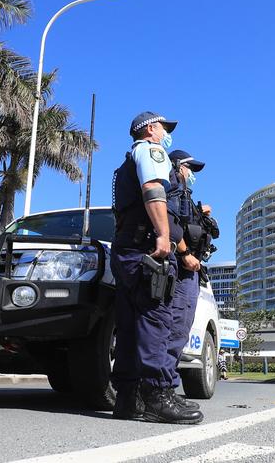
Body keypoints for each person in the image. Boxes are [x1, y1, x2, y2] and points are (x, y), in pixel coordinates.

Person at [111, 111, 203, 424]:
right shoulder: (152, 152)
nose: (166, 134)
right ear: (151, 128)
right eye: (164, 128)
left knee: (131, 324)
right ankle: (157, 395)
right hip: (146, 250)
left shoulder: (129, 159)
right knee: (156, 319)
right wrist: (164, 234)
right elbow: (153, 190)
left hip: (129, 250)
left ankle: (128, 398)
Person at [165, 149, 212, 411]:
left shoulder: (185, 194)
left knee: (179, 329)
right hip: (182, 268)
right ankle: (164, 389)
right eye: (188, 167)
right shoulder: (172, 185)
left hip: (189, 268)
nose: (190, 173)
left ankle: (164, 386)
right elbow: (173, 225)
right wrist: (184, 254)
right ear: (178, 166)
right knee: (176, 327)